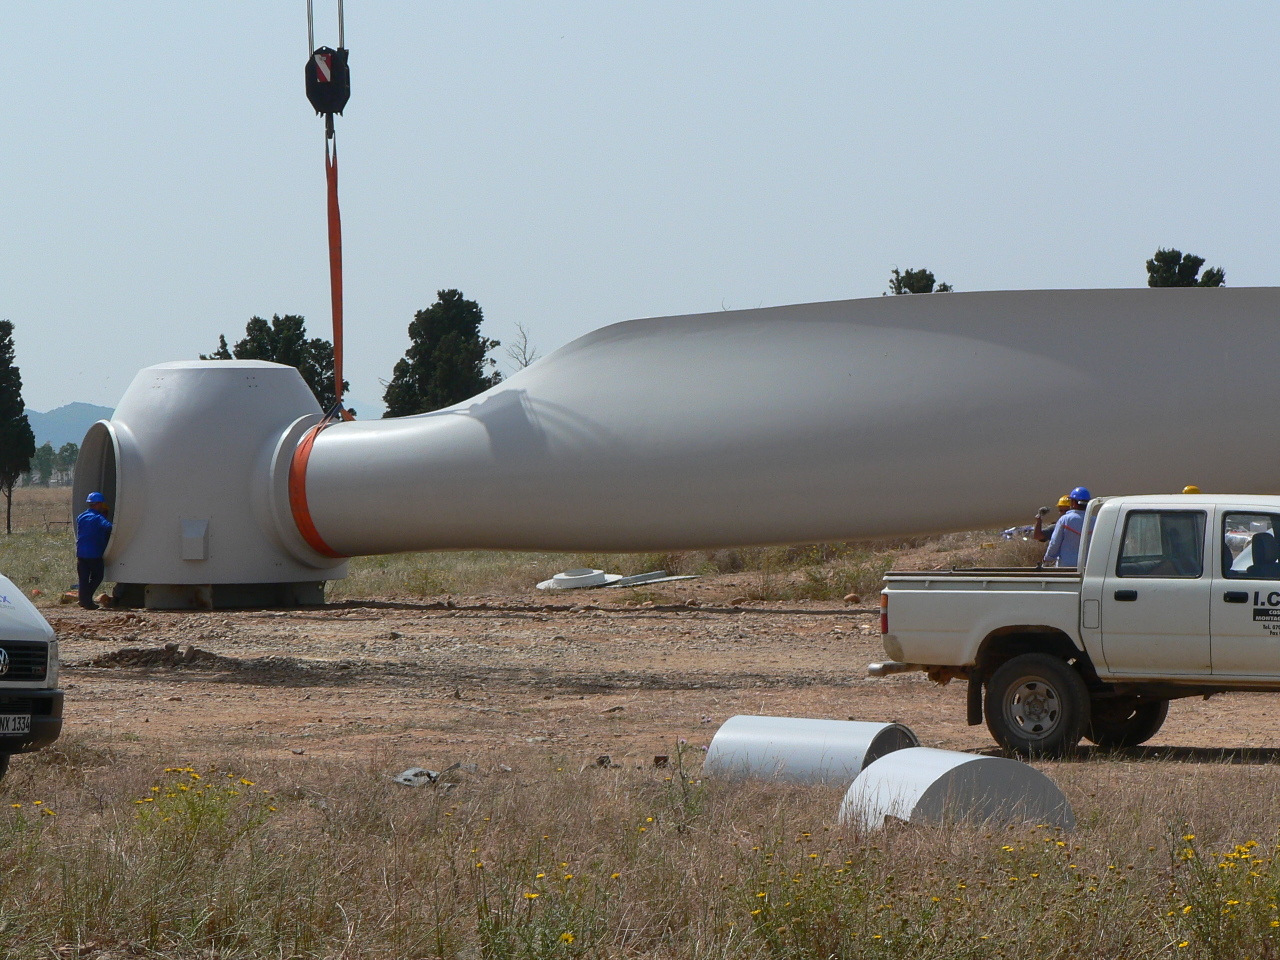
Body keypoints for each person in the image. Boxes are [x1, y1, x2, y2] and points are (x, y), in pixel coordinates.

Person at [75, 492, 113, 610]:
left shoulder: (81, 516)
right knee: (97, 576)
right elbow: (109, 528)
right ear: (100, 504)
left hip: (81, 552)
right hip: (94, 553)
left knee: (83, 579)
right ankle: (87, 600)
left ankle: (82, 600)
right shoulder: (98, 518)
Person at [1044, 486, 1091, 567]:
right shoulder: (1095, 520)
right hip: (1088, 567)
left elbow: (1055, 542)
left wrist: (1048, 558)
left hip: (1066, 567)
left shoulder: (1065, 519)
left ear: (1073, 502)